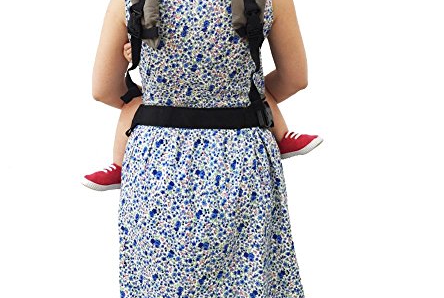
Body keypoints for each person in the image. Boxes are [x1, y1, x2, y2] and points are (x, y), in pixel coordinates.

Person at [90, 0, 311, 298]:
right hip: (243, 168)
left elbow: (103, 87)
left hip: (157, 172)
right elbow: (295, 77)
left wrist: (152, 97)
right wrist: (242, 96)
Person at [82, 41, 323, 190]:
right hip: (238, 148)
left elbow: (103, 90)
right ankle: (282, 136)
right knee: (254, 91)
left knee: (133, 102)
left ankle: (119, 166)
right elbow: (295, 78)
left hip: (159, 145)